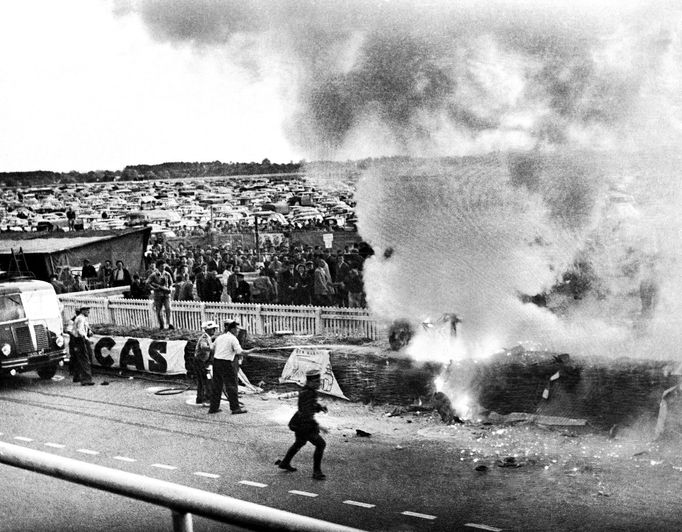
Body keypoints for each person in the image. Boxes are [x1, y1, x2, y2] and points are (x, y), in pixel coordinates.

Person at [275, 370, 328, 480]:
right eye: (317, 381)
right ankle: (316, 472)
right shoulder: (307, 393)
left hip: (300, 423)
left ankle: (285, 463)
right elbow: (306, 413)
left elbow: (310, 405)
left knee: (300, 442)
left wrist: (319, 407)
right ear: (310, 382)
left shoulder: (309, 391)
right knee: (320, 444)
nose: (319, 383)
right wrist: (319, 426)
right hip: (304, 425)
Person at [208, 321, 252, 414]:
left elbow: (212, 348)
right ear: (232, 329)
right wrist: (250, 351)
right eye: (237, 329)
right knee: (231, 386)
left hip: (217, 362)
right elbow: (240, 352)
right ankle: (235, 408)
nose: (238, 331)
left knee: (216, 386)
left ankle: (213, 408)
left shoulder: (220, 337)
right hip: (227, 363)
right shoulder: (233, 339)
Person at [194, 321, 217, 406]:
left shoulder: (209, 338)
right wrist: (213, 348)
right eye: (212, 329)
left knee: (204, 380)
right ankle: (205, 399)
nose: (214, 330)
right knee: (205, 380)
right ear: (208, 330)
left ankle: (201, 398)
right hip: (200, 362)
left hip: (203, 361)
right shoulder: (204, 338)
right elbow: (203, 347)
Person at [71, 306, 95, 386]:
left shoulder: (81, 318)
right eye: (87, 310)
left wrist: (89, 331)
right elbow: (80, 330)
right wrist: (87, 339)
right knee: (84, 359)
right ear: (83, 311)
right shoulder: (81, 319)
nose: (89, 312)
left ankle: (77, 377)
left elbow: (84, 328)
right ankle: (86, 380)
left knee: (79, 359)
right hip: (79, 340)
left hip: (77, 340)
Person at [147, 260, 174, 329]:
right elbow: (147, 283)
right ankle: (161, 324)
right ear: (158, 267)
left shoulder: (167, 274)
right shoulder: (153, 275)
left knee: (168, 308)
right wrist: (154, 288)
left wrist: (170, 288)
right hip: (158, 295)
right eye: (162, 266)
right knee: (159, 310)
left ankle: (169, 324)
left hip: (166, 294)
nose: (163, 267)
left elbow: (171, 283)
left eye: (164, 266)